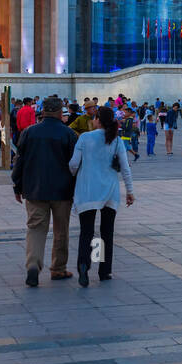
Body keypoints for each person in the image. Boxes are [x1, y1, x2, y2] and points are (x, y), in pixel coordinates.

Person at [12, 95, 79, 287]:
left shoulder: (29, 132)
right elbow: (75, 164)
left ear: (42, 111)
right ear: (59, 112)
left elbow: (19, 161)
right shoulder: (69, 134)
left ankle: (33, 265)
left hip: (34, 190)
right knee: (61, 230)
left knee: (35, 229)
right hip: (62, 191)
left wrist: (17, 186)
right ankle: (58, 268)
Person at [70, 106, 136, 287]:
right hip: (109, 191)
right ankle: (104, 270)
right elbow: (125, 168)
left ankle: (84, 266)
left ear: (98, 120)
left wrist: (77, 173)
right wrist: (130, 191)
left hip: (88, 190)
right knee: (106, 232)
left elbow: (74, 164)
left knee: (87, 231)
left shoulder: (85, 138)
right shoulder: (116, 140)